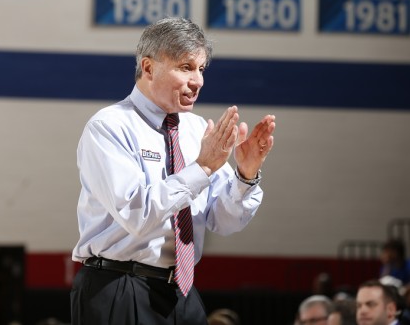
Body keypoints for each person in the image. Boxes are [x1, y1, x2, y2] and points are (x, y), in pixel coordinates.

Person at [70, 17, 276, 325]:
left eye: (202, 69)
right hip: (119, 284)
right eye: (186, 67)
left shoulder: (196, 130)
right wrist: (202, 167)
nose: (198, 81)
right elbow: (136, 214)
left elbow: (223, 221)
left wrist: (244, 177)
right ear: (149, 68)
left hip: (181, 291)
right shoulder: (110, 126)